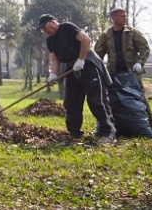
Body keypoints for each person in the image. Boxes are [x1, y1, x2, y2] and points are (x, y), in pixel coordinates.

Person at [37, 13, 116, 142]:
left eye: (46, 27)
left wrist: (81, 60)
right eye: (42, 29)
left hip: (88, 66)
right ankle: (74, 133)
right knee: (71, 102)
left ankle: (108, 132)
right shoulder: (50, 40)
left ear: (53, 22)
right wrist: (53, 74)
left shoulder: (67, 27)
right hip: (71, 69)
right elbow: (55, 59)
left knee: (97, 101)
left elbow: (86, 40)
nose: (45, 30)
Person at [94, 7, 151, 78]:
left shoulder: (132, 33)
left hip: (131, 73)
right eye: (122, 16)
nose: (125, 18)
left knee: (135, 89)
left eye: (126, 16)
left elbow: (145, 49)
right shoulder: (105, 35)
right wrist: (98, 70)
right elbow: (97, 54)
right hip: (113, 75)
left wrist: (139, 63)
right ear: (113, 17)